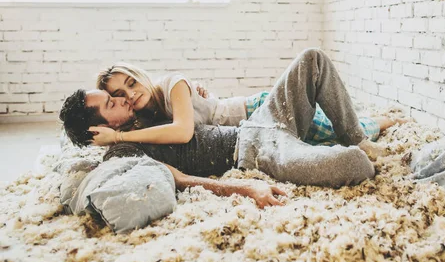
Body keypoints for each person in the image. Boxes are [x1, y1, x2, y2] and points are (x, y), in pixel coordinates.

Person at [60, 49, 403, 207]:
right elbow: (178, 177)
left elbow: (182, 126)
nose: (122, 100)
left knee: (312, 59)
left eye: (119, 94)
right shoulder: (124, 153)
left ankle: (362, 132)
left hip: (256, 121)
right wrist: (244, 187)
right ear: (95, 132)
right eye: (111, 102)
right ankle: (358, 137)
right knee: (357, 165)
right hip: (259, 154)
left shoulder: (142, 118)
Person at [94, 60, 406, 146]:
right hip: (248, 128)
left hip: (256, 110)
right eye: (119, 95)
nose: (129, 94)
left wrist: (120, 136)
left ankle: (389, 121)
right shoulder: (146, 119)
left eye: (131, 83)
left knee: (337, 132)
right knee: (321, 139)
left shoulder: (171, 83)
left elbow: (183, 131)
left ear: (141, 76)